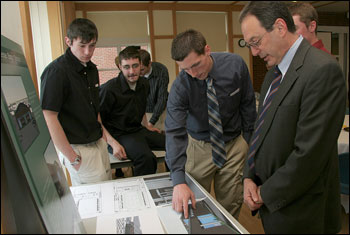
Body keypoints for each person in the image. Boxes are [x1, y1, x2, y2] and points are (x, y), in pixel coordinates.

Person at [239, 2, 346, 233]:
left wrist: (264, 193)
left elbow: (309, 154)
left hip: (303, 211)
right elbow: (261, 132)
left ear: (279, 27)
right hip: (273, 205)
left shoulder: (322, 70)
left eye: (255, 42)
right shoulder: (273, 74)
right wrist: (249, 176)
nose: (254, 52)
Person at [165, 29, 256, 219]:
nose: (193, 73)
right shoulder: (181, 85)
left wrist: (247, 141)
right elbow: (174, 131)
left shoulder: (235, 65)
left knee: (231, 202)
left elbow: (248, 105)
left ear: (207, 50)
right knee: (193, 201)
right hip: (199, 147)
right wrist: (178, 180)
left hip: (233, 145)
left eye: (196, 65)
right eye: (186, 69)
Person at [40, 18, 126, 186]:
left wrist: (109, 140)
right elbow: (49, 117)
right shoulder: (56, 72)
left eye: (92, 45)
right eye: (82, 45)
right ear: (68, 41)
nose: (88, 51)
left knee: (108, 191)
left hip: (98, 142)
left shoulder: (92, 69)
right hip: (78, 149)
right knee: (95, 203)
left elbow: (94, 111)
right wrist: (72, 157)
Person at [99, 46, 166, 176]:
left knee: (173, 143)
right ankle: (142, 193)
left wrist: (147, 126)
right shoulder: (109, 89)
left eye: (135, 66)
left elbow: (140, 107)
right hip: (118, 135)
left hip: (137, 130)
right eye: (126, 67)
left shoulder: (144, 84)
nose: (131, 71)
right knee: (146, 158)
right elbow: (98, 121)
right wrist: (112, 143)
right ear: (119, 67)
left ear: (141, 64)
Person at [139, 49, 169, 132]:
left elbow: (161, 98)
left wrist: (151, 123)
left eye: (142, 70)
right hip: (144, 111)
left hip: (161, 109)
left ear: (149, 63)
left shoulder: (161, 70)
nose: (139, 73)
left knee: (163, 134)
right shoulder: (135, 73)